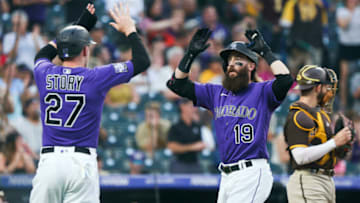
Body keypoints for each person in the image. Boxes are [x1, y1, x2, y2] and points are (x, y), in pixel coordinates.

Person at [29, 3, 150, 203]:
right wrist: (130, 30)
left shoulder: (44, 73)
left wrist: (79, 26)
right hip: (81, 164)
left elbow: (43, 55)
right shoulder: (96, 77)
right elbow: (142, 61)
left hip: (49, 163)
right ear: (85, 51)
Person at [167, 28, 293, 202]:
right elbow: (176, 84)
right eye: (229, 60)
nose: (231, 64)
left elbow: (286, 80)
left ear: (251, 66)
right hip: (226, 176)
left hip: (251, 171)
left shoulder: (262, 91)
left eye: (238, 59)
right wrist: (189, 54)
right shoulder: (215, 92)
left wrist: (265, 51)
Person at [284, 65, 353, 203]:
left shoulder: (321, 115)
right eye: (326, 87)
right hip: (309, 181)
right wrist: (334, 142)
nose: (330, 91)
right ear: (317, 88)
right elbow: (300, 157)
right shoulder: (298, 115)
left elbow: (326, 151)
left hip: (326, 179)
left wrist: (341, 145)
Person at [167, 98, 206, 174]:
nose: (193, 109)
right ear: (182, 107)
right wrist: (192, 147)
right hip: (179, 163)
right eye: (191, 106)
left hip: (195, 163)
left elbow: (201, 144)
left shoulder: (197, 126)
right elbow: (172, 147)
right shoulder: (175, 126)